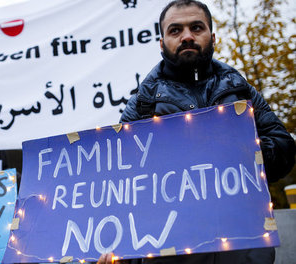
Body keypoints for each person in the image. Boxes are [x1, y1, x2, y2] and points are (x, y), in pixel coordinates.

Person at [98, 0, 295, 263]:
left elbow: (283, 151)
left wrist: (243, 150)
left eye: (196, 27)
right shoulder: (142, 104)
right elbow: (122, 186)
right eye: (175, 30)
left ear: (213, 37)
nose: (187, 36)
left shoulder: (242, 91)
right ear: (161, 42)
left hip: (244, 252)